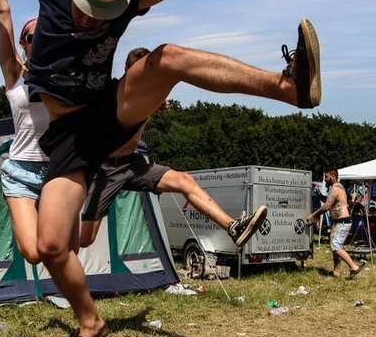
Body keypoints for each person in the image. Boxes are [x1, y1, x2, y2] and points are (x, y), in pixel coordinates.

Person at [0, 0, 321, 337]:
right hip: (67, 138)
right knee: (51, 246)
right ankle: (90, 323)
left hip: (106, 109)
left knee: (169, 58)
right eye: (86, 9)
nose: (91, 19)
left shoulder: (122, 3)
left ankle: (287, 88)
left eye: (100, 13)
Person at [79, 47, 268, 249]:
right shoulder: (115, 93)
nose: (144, 80)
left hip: (133, 164)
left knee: (185, 181)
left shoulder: (152, 93)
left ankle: (233, 227)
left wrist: (159, 103)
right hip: (106, 168)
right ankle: (51, 241)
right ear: (127, 70)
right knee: (86, 239)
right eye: (138, 73)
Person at [0, 0, 49, 265]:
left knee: (58, 247)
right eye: (33, 37)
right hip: (21, 169)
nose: (41, 40)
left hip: (61, 170)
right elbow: (3, 13)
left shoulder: (65, 76)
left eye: (46, 35)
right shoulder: (15, 74)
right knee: (32, 252)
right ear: (24, 44)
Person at [307, 167, 362, 279]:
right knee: (336, 247)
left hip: (342, 222)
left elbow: (326, 206)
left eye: (326, 177)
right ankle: (336, 271)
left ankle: (353, 267)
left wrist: (314, 215)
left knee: (335, 247)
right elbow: (329, 201)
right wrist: (318, 194)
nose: (325, 179)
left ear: (332, 176)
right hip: (340, 222)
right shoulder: (336, 187)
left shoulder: (335, 188)